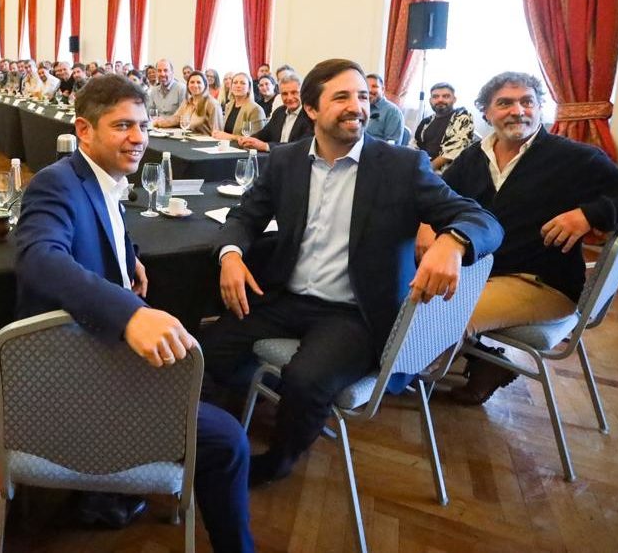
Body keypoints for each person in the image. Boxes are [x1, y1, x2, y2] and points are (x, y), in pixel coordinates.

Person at [201, 58, 502, 486]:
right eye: (341, 97)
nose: (357, 106)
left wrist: (453, 242)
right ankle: (212, 439)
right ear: (311, 109)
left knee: (305, 380)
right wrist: (230, 255)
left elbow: (483, 220)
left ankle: (277, 461)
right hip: (286, 297)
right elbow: (244, 217)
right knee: (205, 351)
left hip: (354, 312)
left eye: (362, 96)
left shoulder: (401, 166)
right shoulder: (285, 161)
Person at [14, 74, 255, 552]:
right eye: (123, 126)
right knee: (228, 441)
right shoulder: (54, 184)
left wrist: (129, 258)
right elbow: (38, 257)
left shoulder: (101, 177)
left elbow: (105, 225)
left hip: (100, 354)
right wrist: (128, 314)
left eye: (143, 125)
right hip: (80, 370)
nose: (139, 137)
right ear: (84, 130)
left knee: (207, 380)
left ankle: (113, 492)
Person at [423, 72, 618, 404]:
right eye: (505, 103)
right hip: (480, 274)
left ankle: (399, 379)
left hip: (541, 283)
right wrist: (425, 225)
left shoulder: (573, 158)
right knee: (401, 288)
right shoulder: (475, 156)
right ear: (486, 112)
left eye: (527, 101)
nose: (518, 110)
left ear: (540, 107)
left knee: (436, 315)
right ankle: (483, 362)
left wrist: (590, 214)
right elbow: (439, 198)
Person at [237, 72, 311, 152]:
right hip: (273, 158)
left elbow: (300, 145)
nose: (289, 97)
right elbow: (264, 134)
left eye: (294, 92)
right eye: (285, 94)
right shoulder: (279, 112)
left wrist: (266, 146)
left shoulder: (310, 114)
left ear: (302, 93)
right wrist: (248, 139)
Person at [415, 82, 479, 172]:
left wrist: (424, 171)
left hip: (445, 172)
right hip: (423, 166)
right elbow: (415, 146)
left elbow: (451, 153)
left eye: (446, 96)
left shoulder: (462, 118)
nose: (440, 100)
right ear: (430, 100)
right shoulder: (426, 122)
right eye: (435, 97)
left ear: (454, 99)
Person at [153, 71, 222, 134]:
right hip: (187, 139)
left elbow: (217, 132)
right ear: (188, 85)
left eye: (198, 82)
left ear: (205, 85)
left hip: (205, 142)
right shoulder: (187, 102)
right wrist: (160, 122)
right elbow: (176, 118)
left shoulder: (212, 104)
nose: (195, 85)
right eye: (192, 82)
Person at [213, 72, 267, 140]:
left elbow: (254, 139)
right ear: (231, 87)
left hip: (243, 147)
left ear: (249, 88)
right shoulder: (228, 106)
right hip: (226, 145)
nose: (238, 86)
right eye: (235, 83)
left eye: (242, 83)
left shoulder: (255, 109)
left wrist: (230, 137)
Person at [364, 72, 406, 144]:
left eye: (374, 86)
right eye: (367, 86)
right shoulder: (362, 107)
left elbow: (392, 146)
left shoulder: (393, 112)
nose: (369, 90)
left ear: (383, 89)